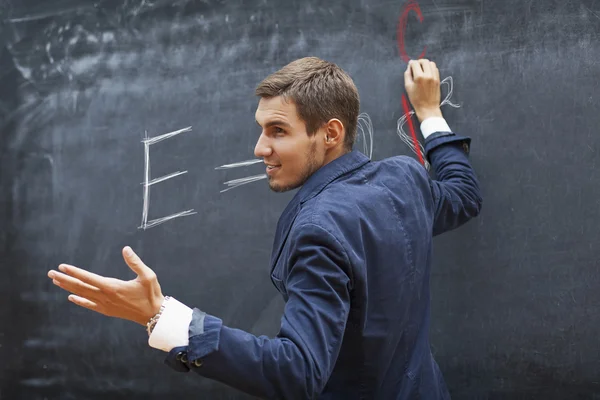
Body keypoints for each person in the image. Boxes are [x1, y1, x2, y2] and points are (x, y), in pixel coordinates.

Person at [47, 57, 482, 399]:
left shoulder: (319, 232)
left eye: (278, 131)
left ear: (330, 133)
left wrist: (163, 317)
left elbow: (297, 372)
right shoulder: (405, 181)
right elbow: (463, 194)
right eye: (261, 130)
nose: (259, 149)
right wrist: (429, 113)